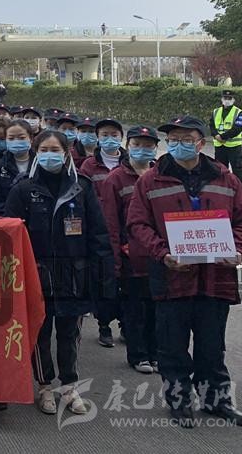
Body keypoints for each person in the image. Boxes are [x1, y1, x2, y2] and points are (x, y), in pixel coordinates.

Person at [127, 115, 242, 428]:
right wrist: (162, 253)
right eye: (173, 140)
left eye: (186, 139)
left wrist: (237, 249)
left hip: (216, 279)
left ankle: (216, 401)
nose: (178, 145)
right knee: (172, 346)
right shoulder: (151, 180)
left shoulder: (225, 178)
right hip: (172, 277)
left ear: (201, 143)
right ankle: (180, 401)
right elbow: (138, 224)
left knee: (212, 347)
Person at [5, 129, 115, 417]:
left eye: (55, 150)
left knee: (70, 333)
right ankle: (44, 386)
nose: (49, 155)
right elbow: (9, 234)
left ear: (66, 154)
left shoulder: (82, 188)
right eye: (44, 150)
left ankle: (69, 386)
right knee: (40, 333)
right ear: (35, 153)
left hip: (74, 275)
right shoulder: (23, 189)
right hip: (36, 274)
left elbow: (98, 234)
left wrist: (103, 276)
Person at [98, 125, 160, 375]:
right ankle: (138, 354)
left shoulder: (161, 174)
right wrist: (114, 260)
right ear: (128, 146)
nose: (142, 150)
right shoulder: (116, 178)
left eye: (148, 145)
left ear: (156, 148)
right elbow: (110, 223)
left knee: (158, 309)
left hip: (160, 254)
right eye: (137, 145)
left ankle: (155, 353)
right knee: (136, 310)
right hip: (130, 257)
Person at [78, 118, 128, 348]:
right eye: (105, 135)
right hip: (99, 230)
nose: (110, 139)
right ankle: (104, 325)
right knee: (104, 280)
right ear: (98, 138)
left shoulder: (129, 162)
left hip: (126, 230)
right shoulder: (89, 166)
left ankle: (127, 325)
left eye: (114, 135)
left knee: (128, 282)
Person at [0, 120, 34, 217]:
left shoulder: (41, 164)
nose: (16, 141)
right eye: (11, 138)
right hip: (8, 220)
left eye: (21, 138)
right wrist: (10, 217)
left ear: (31, 138)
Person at [211, 90, 242, 184]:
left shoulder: (239, 112)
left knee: (237, 168)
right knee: (220, 168)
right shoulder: (216, 111)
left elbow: (237, 129)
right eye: (225, 98)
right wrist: (216, 135)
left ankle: (239, 188)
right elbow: (211, 125)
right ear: (222, 99)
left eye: (229, 98)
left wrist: (222, 137)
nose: (227, 100)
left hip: (234, 146)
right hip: (219, 146)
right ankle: (222, 186)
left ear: (233, 99)